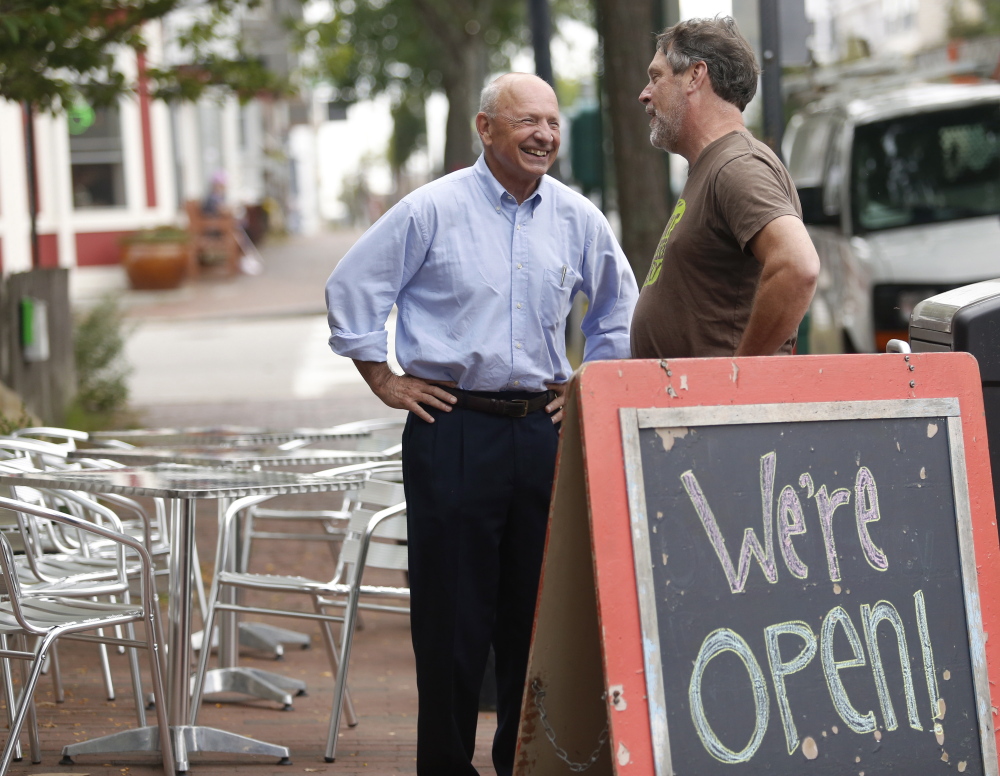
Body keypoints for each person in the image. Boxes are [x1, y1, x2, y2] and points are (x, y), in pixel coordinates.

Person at [325, 73, 637, 776]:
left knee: (536, 616)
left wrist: (590, 387)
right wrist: (381, 375)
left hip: (543, 433)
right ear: (485, 127)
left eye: (553, 123)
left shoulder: (577, 217)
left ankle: (521, 764)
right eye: (528, 121)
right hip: (454, 429)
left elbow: (620, 307)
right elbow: (351, 287)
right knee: (451, 618)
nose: (545, 136)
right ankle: (444, 765)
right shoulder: (430, 210)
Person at [630, 16, 819, 359]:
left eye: (656, 77)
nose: (645, 95)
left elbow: (798, 266)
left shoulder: (736, 165)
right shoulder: (716, 164)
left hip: (722, 409)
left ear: (694, 76)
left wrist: (740, 376)